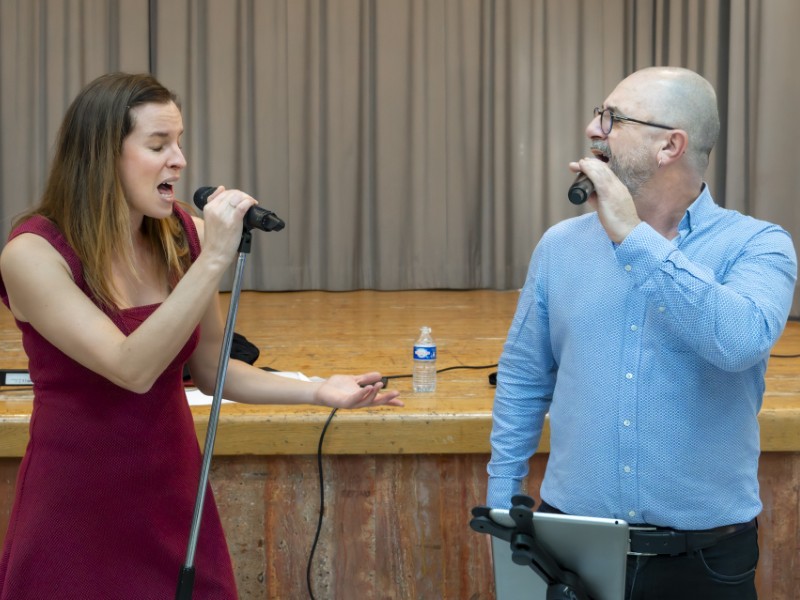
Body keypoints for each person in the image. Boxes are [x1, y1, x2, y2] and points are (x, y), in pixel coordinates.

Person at [0, 72, 402, 599]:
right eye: (158, 145)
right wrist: (214, 256)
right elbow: (131, 368)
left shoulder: (178, 237)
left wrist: (317, 388)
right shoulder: (33, 254)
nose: (180, 160)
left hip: (172, 493)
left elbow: (211, 369)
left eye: (180, 142)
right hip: (79, 502)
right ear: (102, 155)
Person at [486, 66, 796, 599]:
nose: (592, 129)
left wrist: (633, 236)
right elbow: (523, 376)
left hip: (702, 562)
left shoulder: (759, 246)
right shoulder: (560, 247)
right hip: (569, 554)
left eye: (612, 118)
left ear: (670, 146)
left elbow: (739, 340)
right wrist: (501, 500)